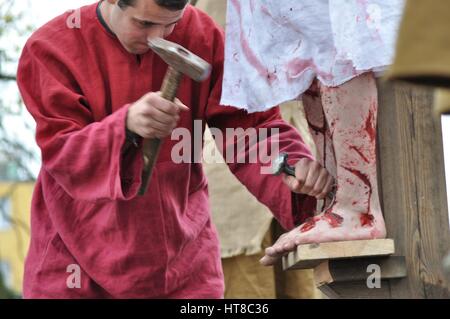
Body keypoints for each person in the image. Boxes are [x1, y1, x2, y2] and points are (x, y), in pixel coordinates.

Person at [17, 0, 333, 298]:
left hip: (181, 268)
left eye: (171, 25)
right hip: (73, 269)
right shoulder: (50, 48)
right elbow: (64, 154)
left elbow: (249, 132)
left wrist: (289, 165)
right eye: (144, 23)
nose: (159, 39)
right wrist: (125, 125)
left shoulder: (202, 35)